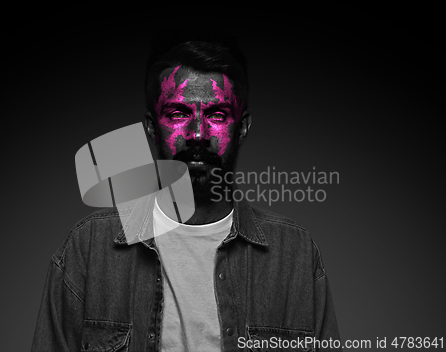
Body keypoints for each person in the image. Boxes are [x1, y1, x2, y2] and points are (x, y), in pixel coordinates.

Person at [31, 29, 342, 352]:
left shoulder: (295, 255)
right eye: (179, 114)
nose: (197, 134)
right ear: (152, 127)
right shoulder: (89, 249)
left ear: (243, 127)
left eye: (217, 115)